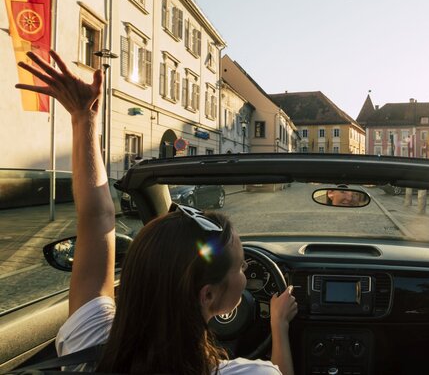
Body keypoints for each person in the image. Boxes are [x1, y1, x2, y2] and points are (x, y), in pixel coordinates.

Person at [16, 50, 297, 374]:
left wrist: (83, 118)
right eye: (240, 266)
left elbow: (97, 220)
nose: (246, 271)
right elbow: (96, 221)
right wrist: (279, 325)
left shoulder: (90, 346)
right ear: (207, 297)